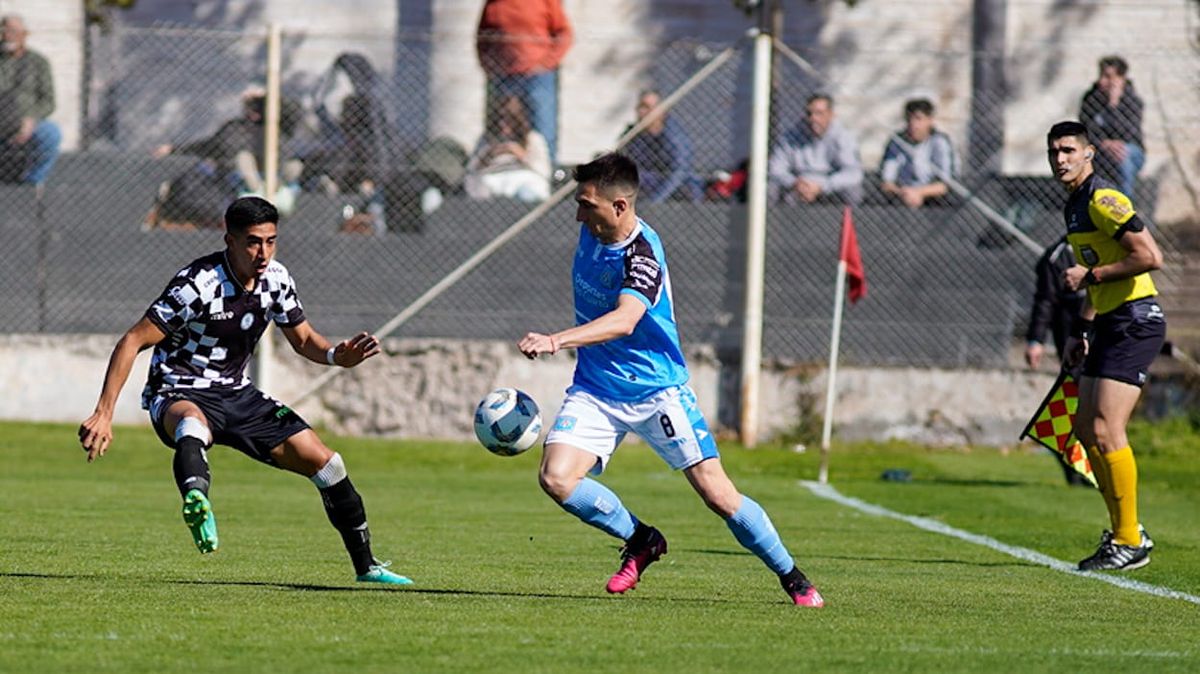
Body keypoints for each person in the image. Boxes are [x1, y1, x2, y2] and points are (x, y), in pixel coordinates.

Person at [517, 153, 824, 606]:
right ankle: (641, 539)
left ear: (620, 206)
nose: (578, 214)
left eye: (587, 204)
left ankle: (793, 576)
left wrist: (556, 340)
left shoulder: (643, 254)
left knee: (718, 495)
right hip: (597, 387)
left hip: (657, 391)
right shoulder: (591, 230)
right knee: (557, 478)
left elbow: (625, 320)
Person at [78, 196, 412, 587]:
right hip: (179, 387)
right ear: (229, 240)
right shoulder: (197, 284)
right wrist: (104, 412)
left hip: (238, 394)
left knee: (327, 463)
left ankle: (367, 567)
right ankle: (197, 499)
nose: (263, 252)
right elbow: (133, 340)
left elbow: (303, 340)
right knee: (192, 425)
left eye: (271, 241)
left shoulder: (277, 280)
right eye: (254, 242)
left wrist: (339, 355)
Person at [1047, 121, 1165, 571]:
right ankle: (1125, 534)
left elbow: (1149, 256)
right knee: (1083, 427)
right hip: (1110, 322)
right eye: (1054, 151)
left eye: (1068, 150)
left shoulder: (1103, 199)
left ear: (1089, 153)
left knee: (1106, 429)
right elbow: (1103, 267)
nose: (1060, 159)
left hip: (1136, 321)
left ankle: (1128, 538)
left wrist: (1089, 277)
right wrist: (1081, 329)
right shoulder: (1074, 204)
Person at [476, 0, 572, 164]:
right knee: (500, 129)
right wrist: (489, 65)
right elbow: (482, 36)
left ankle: (544, 173)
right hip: (503, 77)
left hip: (537, 77)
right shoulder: (494, 3)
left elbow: (564, 33)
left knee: (542, 129)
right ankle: (500, 168)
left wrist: (545, 64)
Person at [768, 94, 863, 205]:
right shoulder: (790, 137)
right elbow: (775, 168)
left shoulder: (844, 137)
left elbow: (853, 173)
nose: (813, 118)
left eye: (819, 113)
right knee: (769, 189)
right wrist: (794, 183)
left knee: (853, 192)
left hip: (830, 186)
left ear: (831, 115)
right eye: (809, 113)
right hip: (799, 186)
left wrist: (822, 186)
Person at [0, 15, 61, 185]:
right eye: (4, 31)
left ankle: (33, 183)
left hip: (26, 120)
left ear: (25, 34)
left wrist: (31, 120)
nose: (7, 35)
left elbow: (49, 101)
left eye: (13, 31)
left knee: (51, 133)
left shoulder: (38, 63)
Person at [463, 94, 551, 202]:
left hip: (521, 177)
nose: (502, 124)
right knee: (483, 191)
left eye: (509, 119)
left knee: (527, 193)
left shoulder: (533, 138)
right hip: (492, 178)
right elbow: (471, 170)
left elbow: (544, 170)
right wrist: (490, 154)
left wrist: (519, 153)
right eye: (499, 119)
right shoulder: (486, 139)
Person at [1079, 56, 1144, 198]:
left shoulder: (1132, 101)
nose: (1102, 81)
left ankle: (1124, 208)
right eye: (1101, 75)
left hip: (1130, 151)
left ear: (1121, 79)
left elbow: (1127, 134)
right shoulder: (1091, 99)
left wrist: (1113, 105)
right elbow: (1085, 131)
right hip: (1099, 149)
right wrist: (1105, 143)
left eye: (1108, 77)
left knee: (1123, 155)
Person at [622, 89, 701, 203]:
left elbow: (679, 173)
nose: (642, 111)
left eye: (647, 107)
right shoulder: (633, 136)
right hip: (643, 188)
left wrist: (654, 201)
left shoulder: (674, 137)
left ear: (662, 111)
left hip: (673, 192)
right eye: (640, 107)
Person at [879, 98, 957, 208]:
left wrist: (919, 192)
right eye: (909, 119)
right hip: (902, 195)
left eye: (918, 119)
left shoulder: (940, 142)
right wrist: (904, 192)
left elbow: (945, 184)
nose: (913, 124)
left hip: (933, 198)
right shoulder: (896, 142)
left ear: (930, 120)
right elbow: (886, 181)